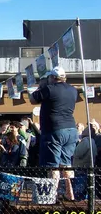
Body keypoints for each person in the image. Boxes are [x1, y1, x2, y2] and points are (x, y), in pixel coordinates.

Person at [29, 66, 78, 200]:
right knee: (66, 163)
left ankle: (52, 194)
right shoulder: (73, 90)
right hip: (71, 129)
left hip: (54, 130)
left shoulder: (49, 89)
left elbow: (32, 99)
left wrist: (40, 86)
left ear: (52, 77)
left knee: (53, 165)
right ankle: (70, 192)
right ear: (64, 77)